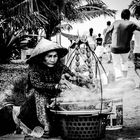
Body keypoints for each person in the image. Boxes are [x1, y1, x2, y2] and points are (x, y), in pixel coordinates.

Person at [25, 38, 76, 137]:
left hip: (55, 93)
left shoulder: (60, 66)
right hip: (36, 96)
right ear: (43, 57)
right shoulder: (35, 67)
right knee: (40, 95)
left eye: (55, 56)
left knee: (68, 93)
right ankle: (45, 126)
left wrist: (72, 77)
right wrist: (56, 86)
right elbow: (37, 84)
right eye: (50, 56)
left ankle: (66, 124)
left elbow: (70, 75)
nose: (53, 59)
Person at [103, 9, 140, 80]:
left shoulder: (115, 22)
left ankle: (119, 79)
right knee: (124, 62)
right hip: (125, 48)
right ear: (129, 16)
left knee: (116, 64)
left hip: (114, 48)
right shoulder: (132, 24)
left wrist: (104, 41)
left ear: (121, 16)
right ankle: (124, 79)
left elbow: (107, 32)